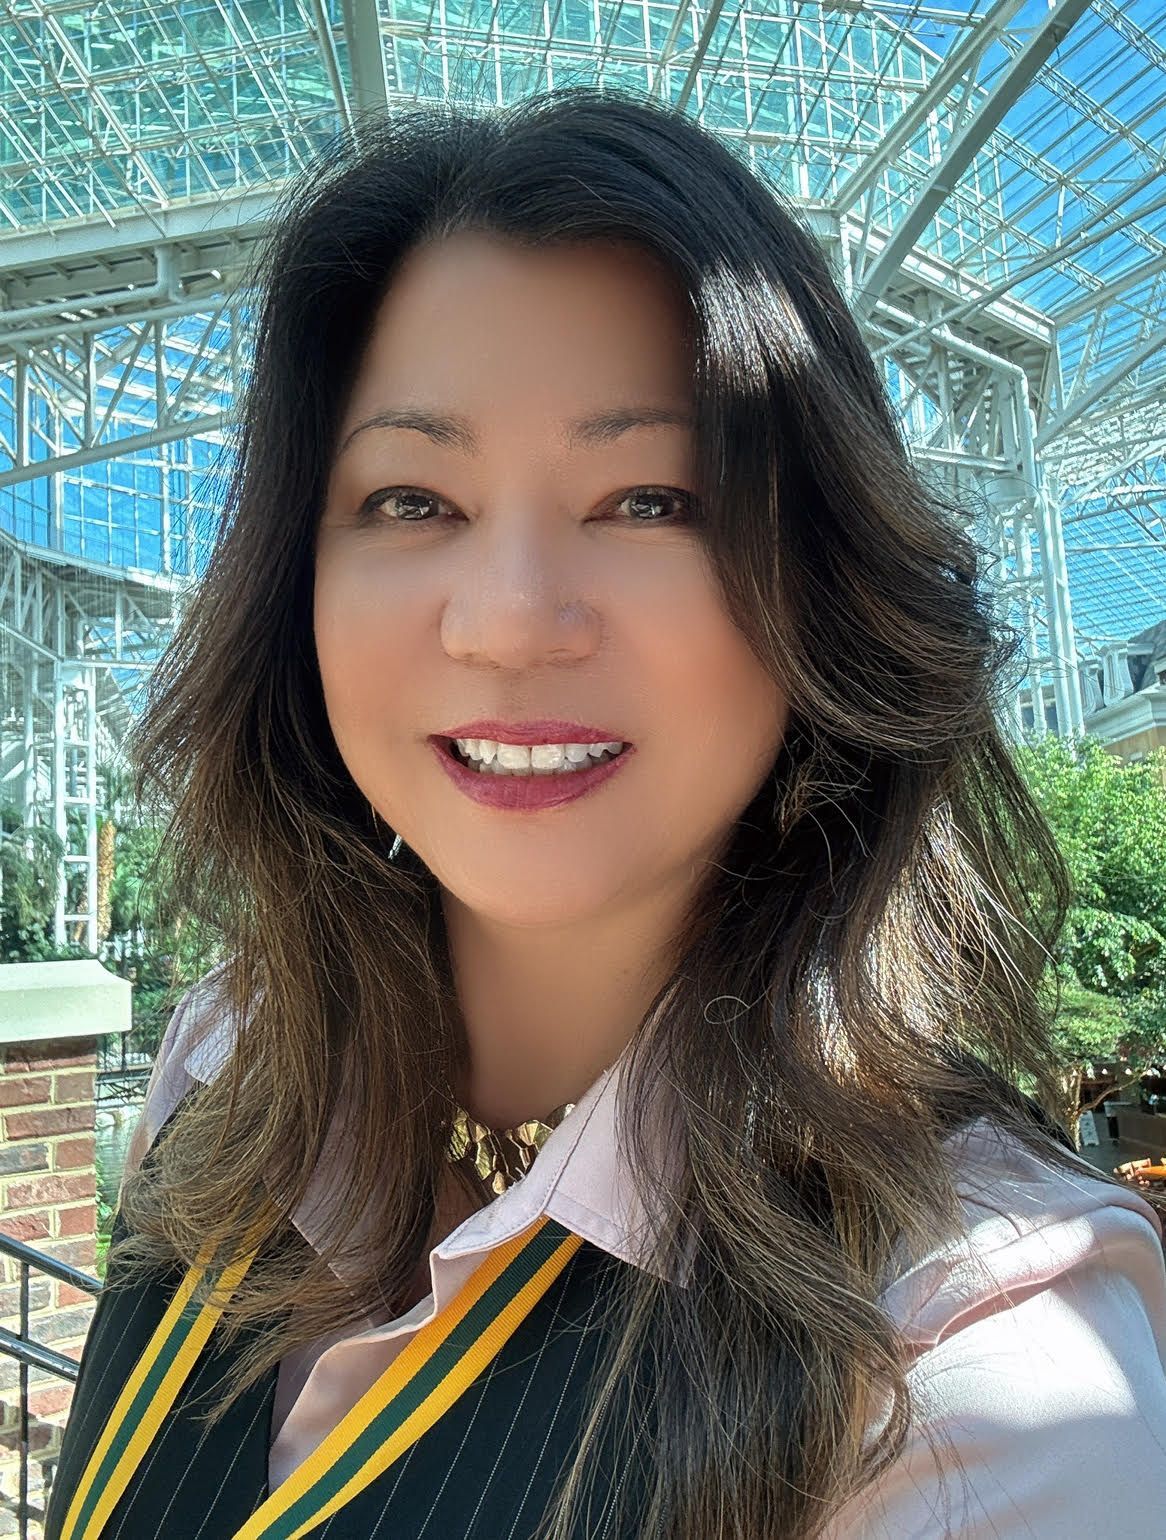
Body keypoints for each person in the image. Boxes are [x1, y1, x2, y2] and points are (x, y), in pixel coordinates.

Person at [46, 89, 1166, 1540]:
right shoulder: (223, 1073)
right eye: (408, 499)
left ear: (818, 586)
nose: (509, 625)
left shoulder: (965, 1365)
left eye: (650, 500)